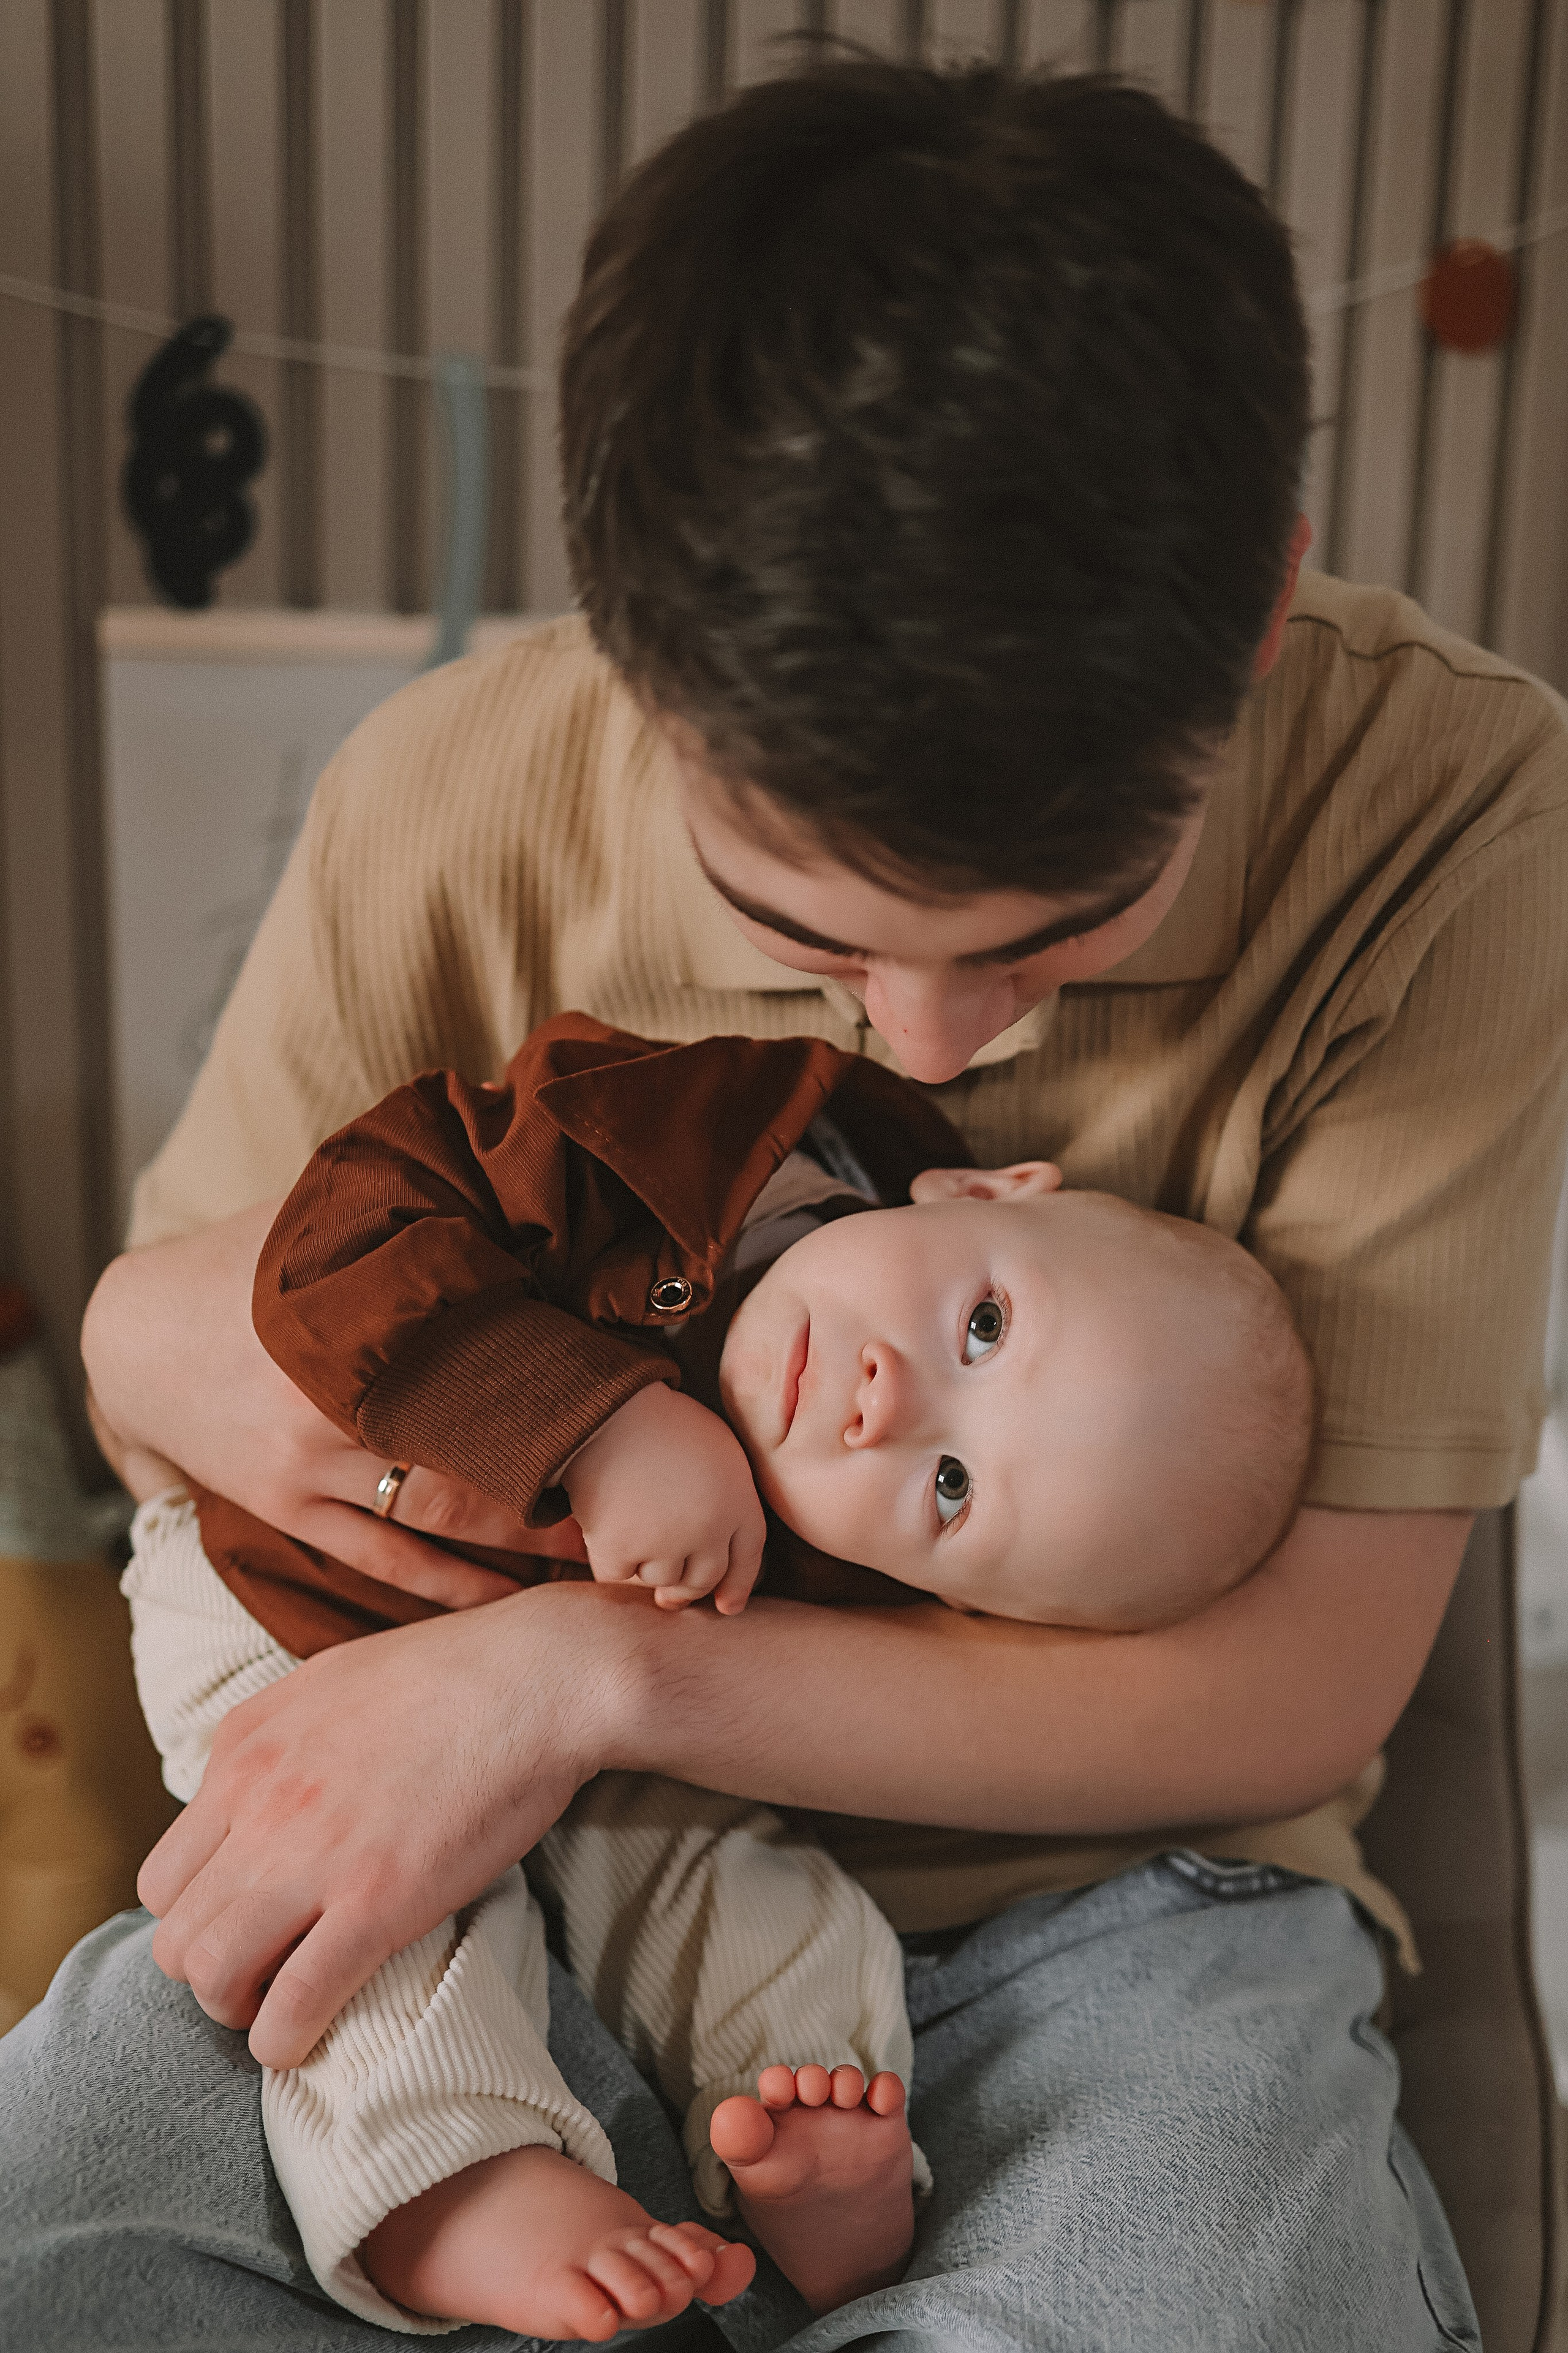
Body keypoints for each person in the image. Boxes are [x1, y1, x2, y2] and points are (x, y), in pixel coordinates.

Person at [6, 55, 1564, 2351]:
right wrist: (454, 1515)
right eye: (803, 934)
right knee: (78, 2256)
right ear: (638, 680)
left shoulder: (1452, 818)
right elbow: (174, 1358)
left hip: (1106, 1894)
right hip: (466, 1859)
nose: (925, 1057)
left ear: (1254, 635)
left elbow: (1308, 1680)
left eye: (1055, 937)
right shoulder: (455, 799)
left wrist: (594, 1668)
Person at [111, 1011, 1314, 2336]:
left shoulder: (836, 1559)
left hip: (593, 1747)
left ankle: (811, 2165)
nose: (883, 1402)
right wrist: (598, 1425)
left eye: (951, 1486)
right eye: (982, 1324)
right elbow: (344, 1239)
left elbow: (696, 1727)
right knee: (371, 1919)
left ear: (945, 1597)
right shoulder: (675, 1139)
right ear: (979, 1189)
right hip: (287, 1608)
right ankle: (443, 2186)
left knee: (759, 1895)